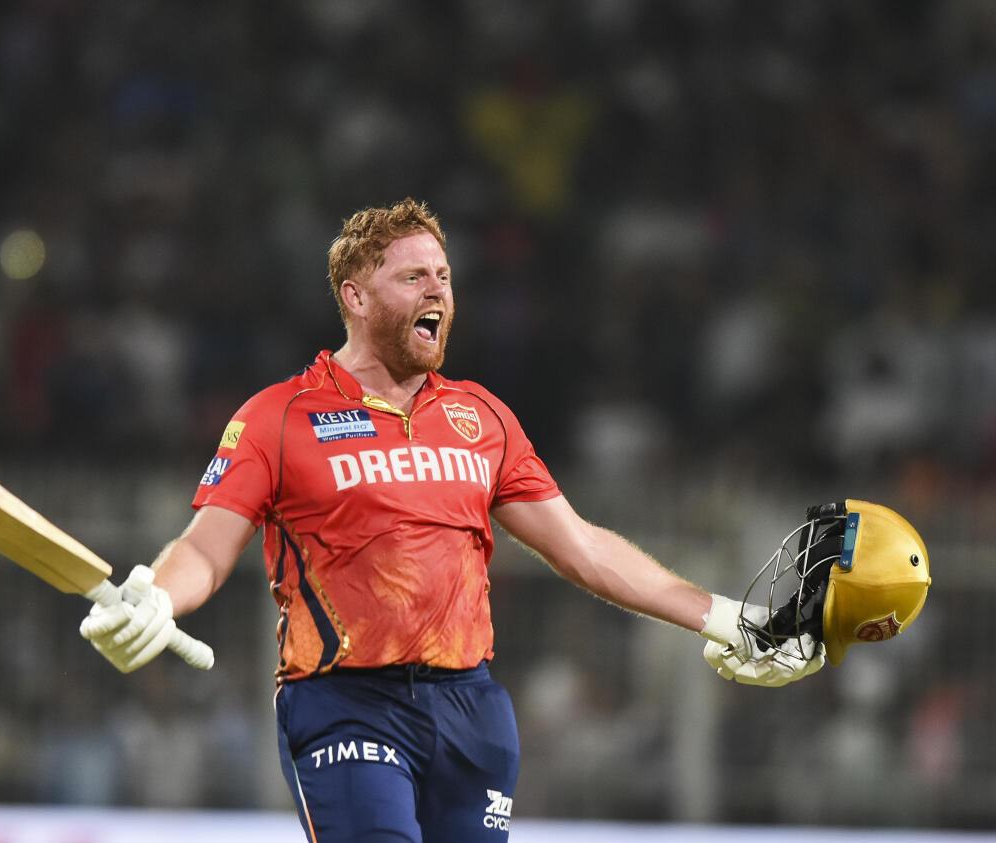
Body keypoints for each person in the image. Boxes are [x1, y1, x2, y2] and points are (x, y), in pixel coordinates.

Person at [79, 198, 824, 841]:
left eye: (443, 275)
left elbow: (584, 548)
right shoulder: (279, 417)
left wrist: (724, 614)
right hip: (345, 704)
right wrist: (157, 595)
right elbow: (206, 550)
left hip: (472, 710)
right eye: (413, 275)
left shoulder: (482, 417)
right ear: (356, 298)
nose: (437, 287)